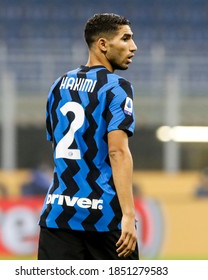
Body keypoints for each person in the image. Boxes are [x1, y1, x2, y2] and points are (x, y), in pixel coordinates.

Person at [38, 13, 138, 260]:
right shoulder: (116, 87)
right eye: (125, 39)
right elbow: (117, 151)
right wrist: (128, 215)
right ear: (103, 44)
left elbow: (56, 141)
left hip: (58, 214)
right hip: (103, 217)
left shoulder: (59, 85)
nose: (133, 47)